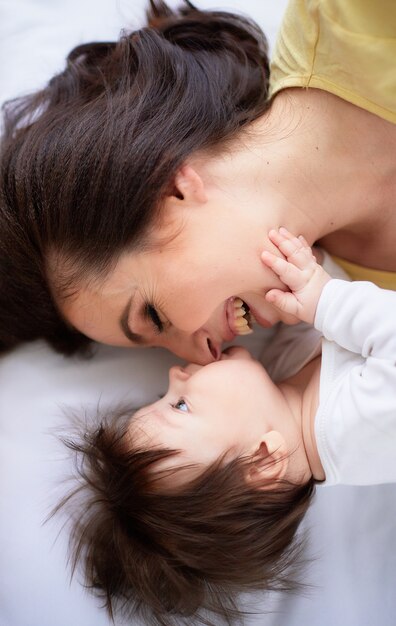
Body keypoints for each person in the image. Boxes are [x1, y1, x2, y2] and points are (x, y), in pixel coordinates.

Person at [0, 0, 395, 361]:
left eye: (154, 318)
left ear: (168, 187)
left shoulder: (354, 16)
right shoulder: (371, 320)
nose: (205, 357)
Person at [61, 227, 396, 625]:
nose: (174, 374)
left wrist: (311, 275)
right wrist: (322, 299)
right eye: (180, 405)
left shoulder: (282, 381)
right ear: (265, 460)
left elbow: (331, 300)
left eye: (161, 395)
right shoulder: (359, 433)